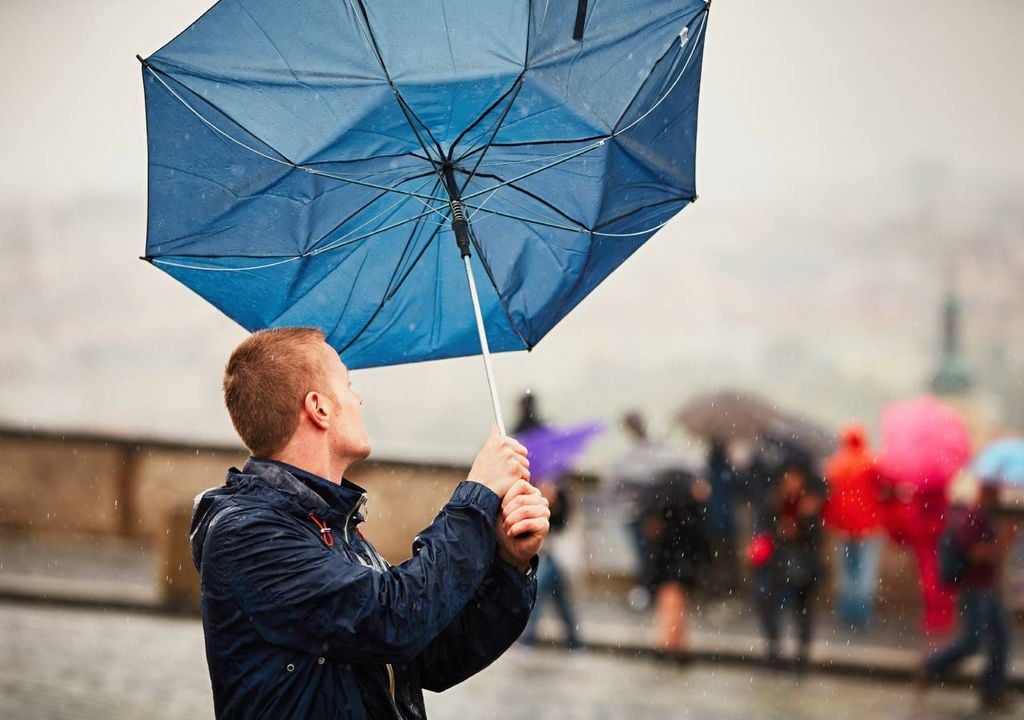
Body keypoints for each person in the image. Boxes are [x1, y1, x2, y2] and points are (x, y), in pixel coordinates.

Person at [189, 328, 550, 719]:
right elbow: (395, 618)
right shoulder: (247, 533)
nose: (358, 398)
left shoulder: (332, 526)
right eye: (347, 384)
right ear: (319, 408)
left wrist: (508, 565)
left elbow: (432, 655)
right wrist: (477, 494)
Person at [923, 479, 1017, 712]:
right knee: (973, 641)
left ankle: (993, 692)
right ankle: (932, 666)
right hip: (975, 588)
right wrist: (1001, 543)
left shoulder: (986, 517)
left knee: (1001, 637)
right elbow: (975, 554)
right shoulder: (974, 518)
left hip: (987, 589)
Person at [750, 461, 824, 673]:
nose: (792, 483)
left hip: (803, 565)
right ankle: (774, 653)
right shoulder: (772, 502)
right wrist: (779, 533)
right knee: (768, 607)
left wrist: (802, 525)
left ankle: (801, 657)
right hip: (776, 565)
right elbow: (762, 531)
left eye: (796, 478)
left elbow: (816, 538)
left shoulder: (808, 504)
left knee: (802, 611)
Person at [607, 411, 676, 609]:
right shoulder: (654, 451)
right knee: (648, 554)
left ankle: (648, 591)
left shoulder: (632, 455)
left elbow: (615, 483)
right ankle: (651, 591)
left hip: (640, 513)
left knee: (645, 555)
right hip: (647, 512)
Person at [640, 468, 712, 653]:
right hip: (675, 562)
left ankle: (673, 643)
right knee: (672, 598)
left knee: (673, 600)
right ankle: (670, 643)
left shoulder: (670, 502)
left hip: (672, 562)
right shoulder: (681, 503)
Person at [822, 424, 883, 630]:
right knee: (865, 572)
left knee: (846, 573)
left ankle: (846, 613)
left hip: (843, 527)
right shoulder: (870, 462)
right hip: (868, 526)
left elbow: (828, 495)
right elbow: (883, 488)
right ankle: (862, 615)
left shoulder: (835, 464)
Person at [520, 477, 582, 649]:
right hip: (544, 557)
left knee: (539, 593)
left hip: (558, 557)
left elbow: (562, 525)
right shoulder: (532, 493)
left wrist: (553, 504)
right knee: (557, 599)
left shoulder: (562, 496)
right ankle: (574, 640)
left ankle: (529, 637)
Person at [704, 439, 740, 597]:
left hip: (711, 522)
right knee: (729, 559)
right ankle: (730, 589)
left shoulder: (707, 473)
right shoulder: (729, 472)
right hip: (728, 522)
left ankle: (717, 590)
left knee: (715, 559)